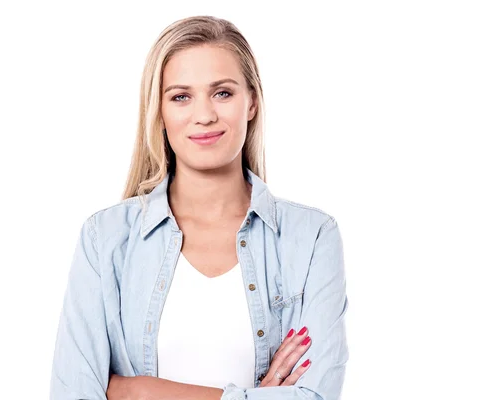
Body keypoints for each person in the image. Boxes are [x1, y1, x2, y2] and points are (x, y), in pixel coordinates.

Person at [50, 15, 349, 400]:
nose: (204, 115)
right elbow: (73, 392)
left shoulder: (312, 237)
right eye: (180, 96)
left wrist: (137, 392)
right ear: (159, 112)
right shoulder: (104, 238)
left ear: (252, 101)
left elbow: (317, 396)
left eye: (223, 93)